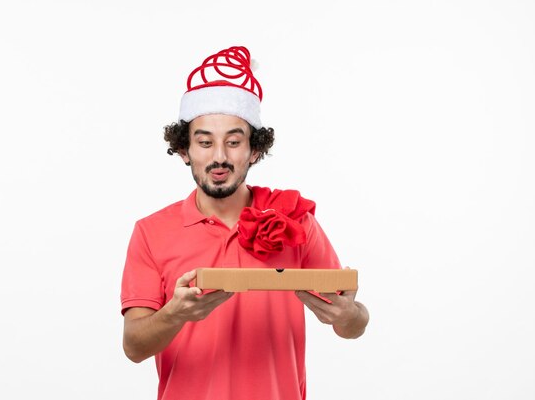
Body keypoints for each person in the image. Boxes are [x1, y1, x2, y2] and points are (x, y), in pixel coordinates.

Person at [120, 46, 369, 400]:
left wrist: (348, 315)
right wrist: (174, 314)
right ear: (183, 150)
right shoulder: (151, 232)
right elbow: (133, 346)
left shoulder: (294, 218)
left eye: (234, 142)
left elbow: (353, 325)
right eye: (204, 142)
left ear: (254, 150)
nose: (219, 156)